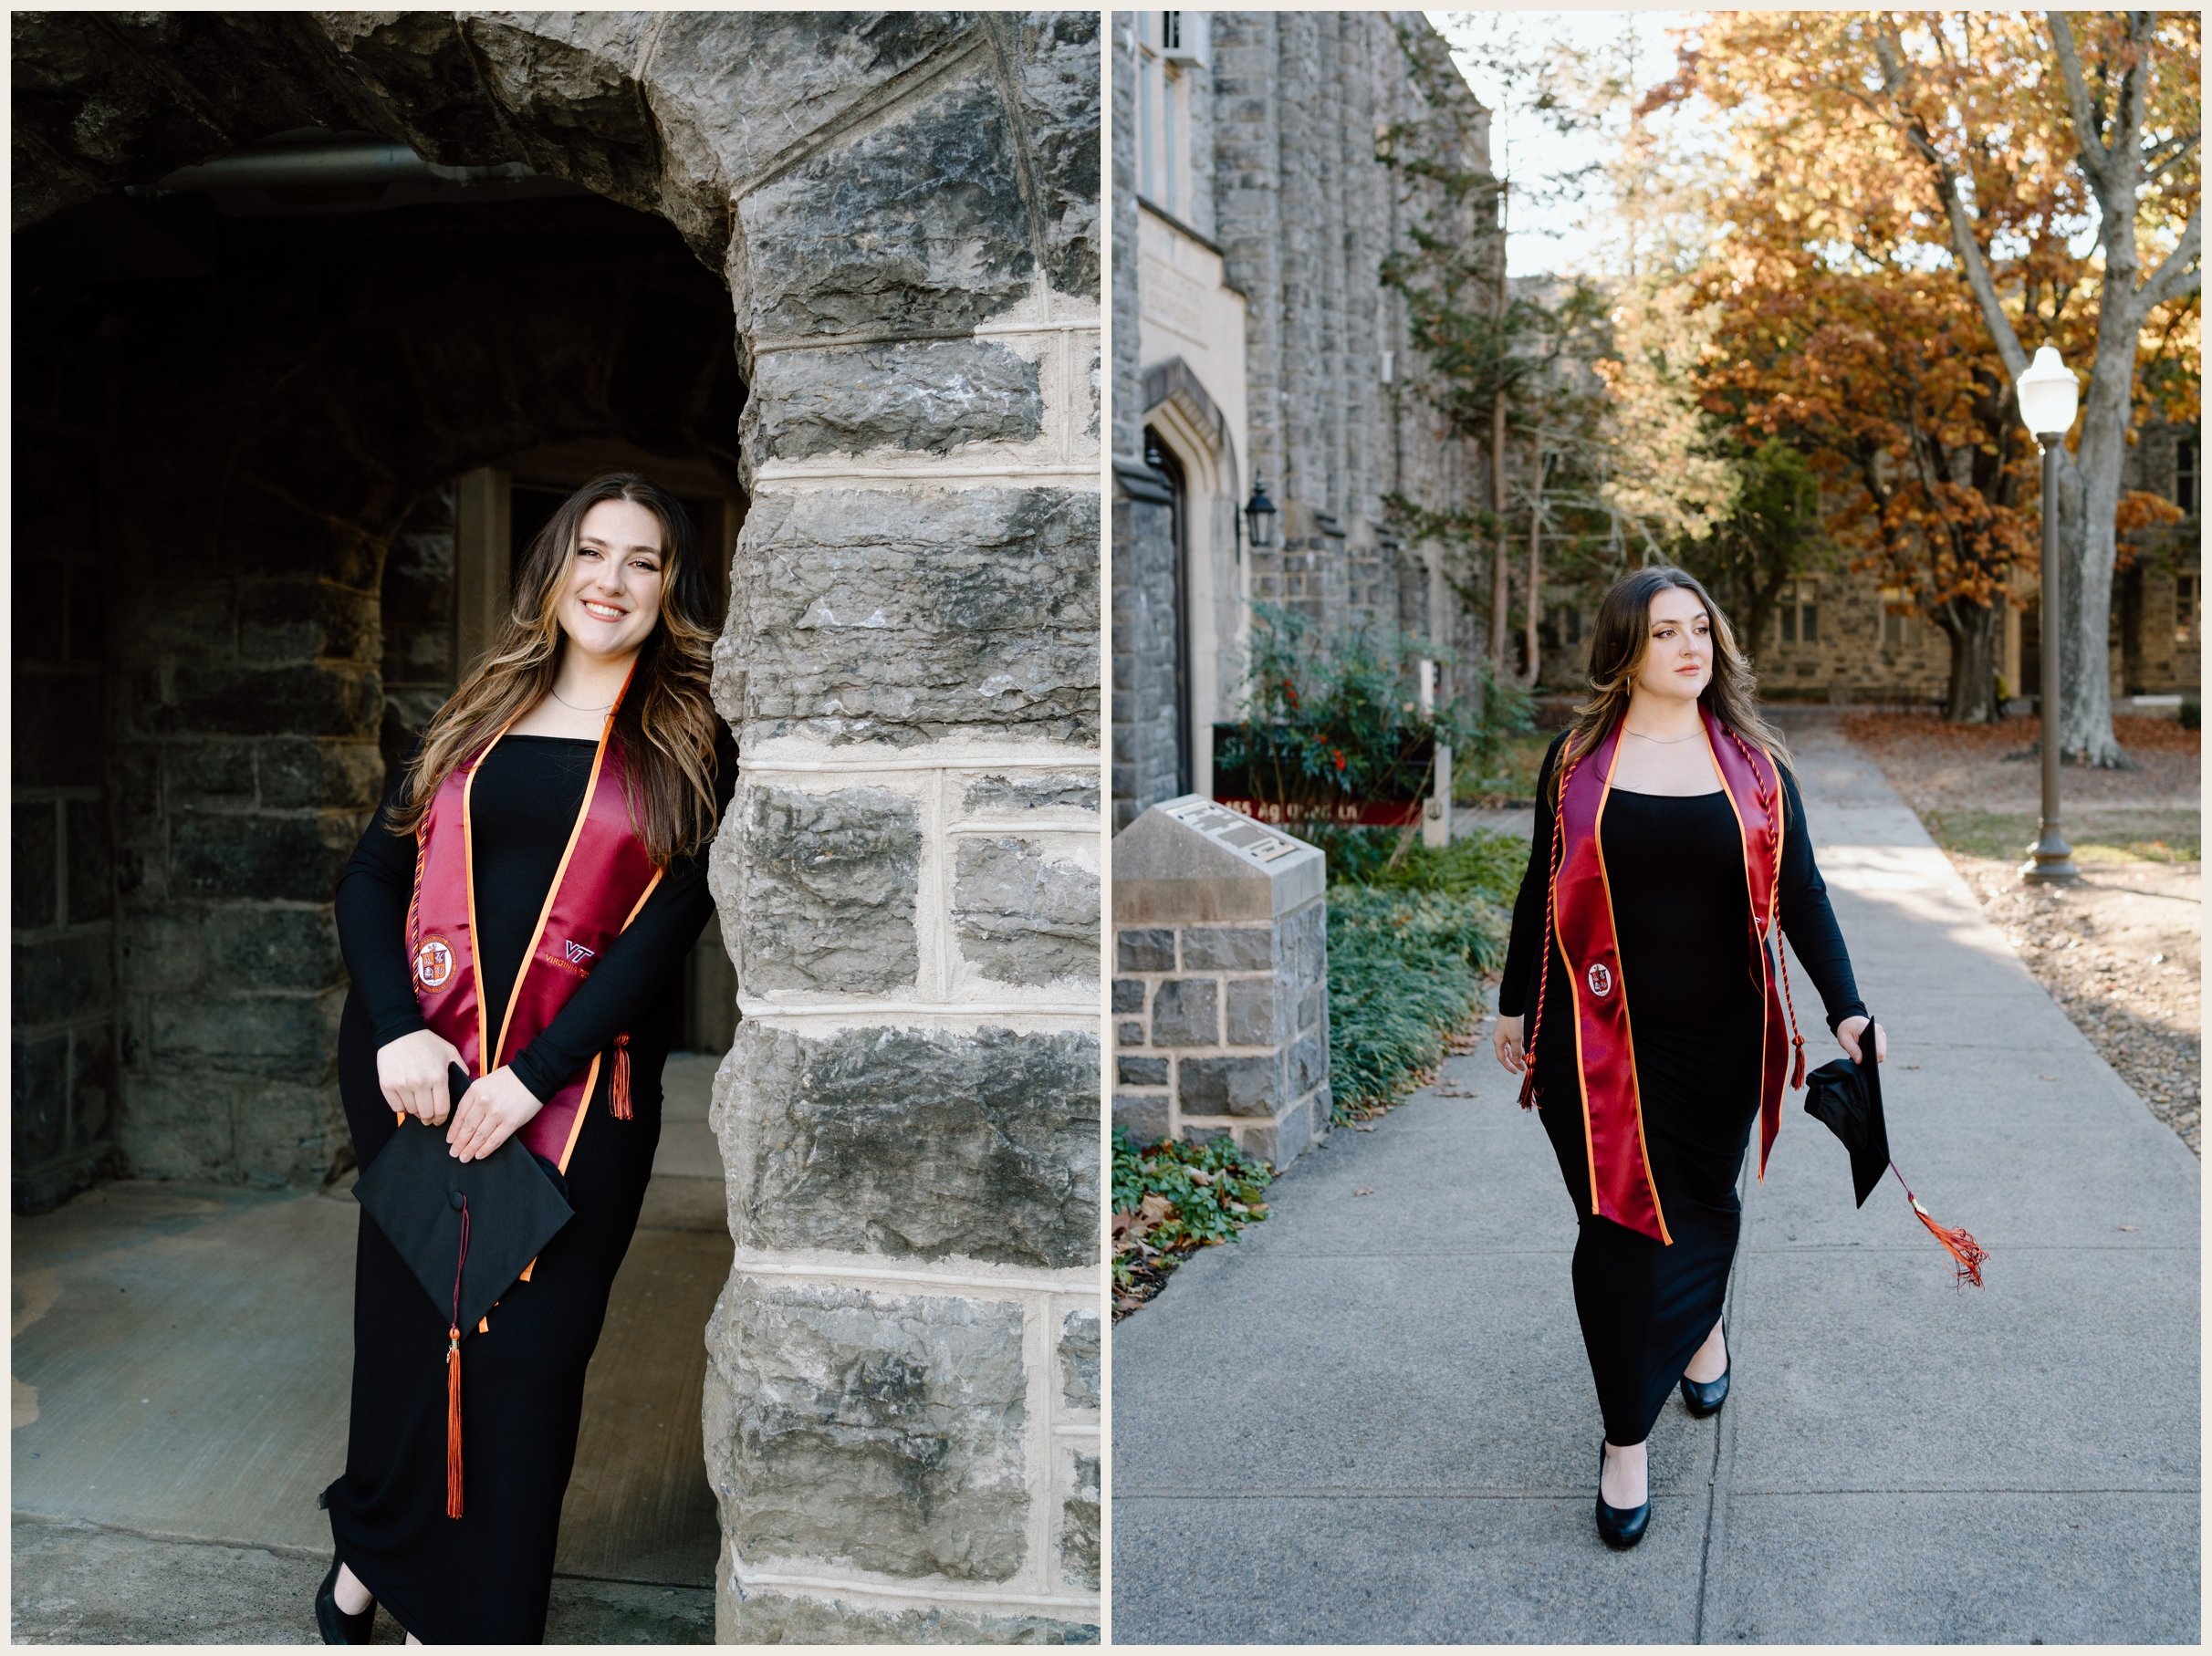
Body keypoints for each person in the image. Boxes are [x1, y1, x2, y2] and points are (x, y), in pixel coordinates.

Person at [315, 472, 736, 1641]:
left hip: (574, 1099)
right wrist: (399, 1029)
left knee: (527, 1365)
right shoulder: (478, 713)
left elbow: (661, 938)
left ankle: (480, 1619)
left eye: (642, 561)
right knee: (406, 1344)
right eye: (590, 552)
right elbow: (369, 880)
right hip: (419, 1076)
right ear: (552, 571)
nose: (611, 581)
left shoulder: (690, 740)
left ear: (670, 588)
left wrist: (532, 1075)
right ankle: (368, 1559)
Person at [1489, 568, 1882, 1550]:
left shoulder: (1753, 767)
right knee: (1618, 1224)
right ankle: (1626, 1438)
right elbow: (1540, 888)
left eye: (1699, 629)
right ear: (1626, 652)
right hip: (1592, 1040)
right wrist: (1511, 1003)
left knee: (1701, 1205)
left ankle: (1702, 1323)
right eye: (1666, 633)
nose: (1690, 647)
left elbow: (1805, 898)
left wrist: (1847, 1008)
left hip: (1721, 1041)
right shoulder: (1575, 761)